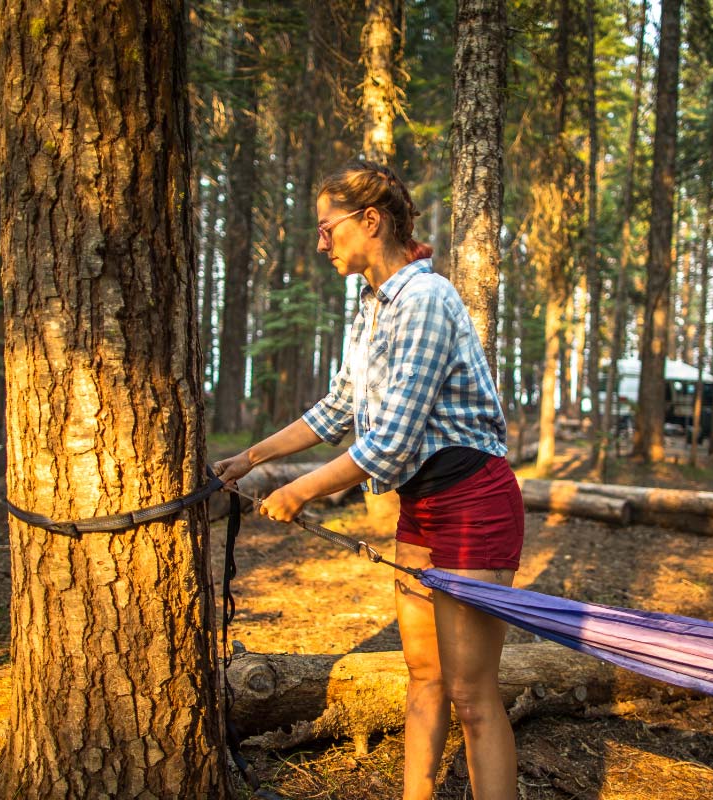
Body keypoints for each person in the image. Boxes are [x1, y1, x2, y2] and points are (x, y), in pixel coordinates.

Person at [214, 160, 522, 800]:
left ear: (370, 221)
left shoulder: (428, 299)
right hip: (424, 506)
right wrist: (251, 458)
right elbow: (340, 407)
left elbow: (391, 441)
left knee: (470, 692)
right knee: (425, 675)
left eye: (328, 228)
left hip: (473, 503)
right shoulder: (373, 307)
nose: (321, 242)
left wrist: (299, 490)